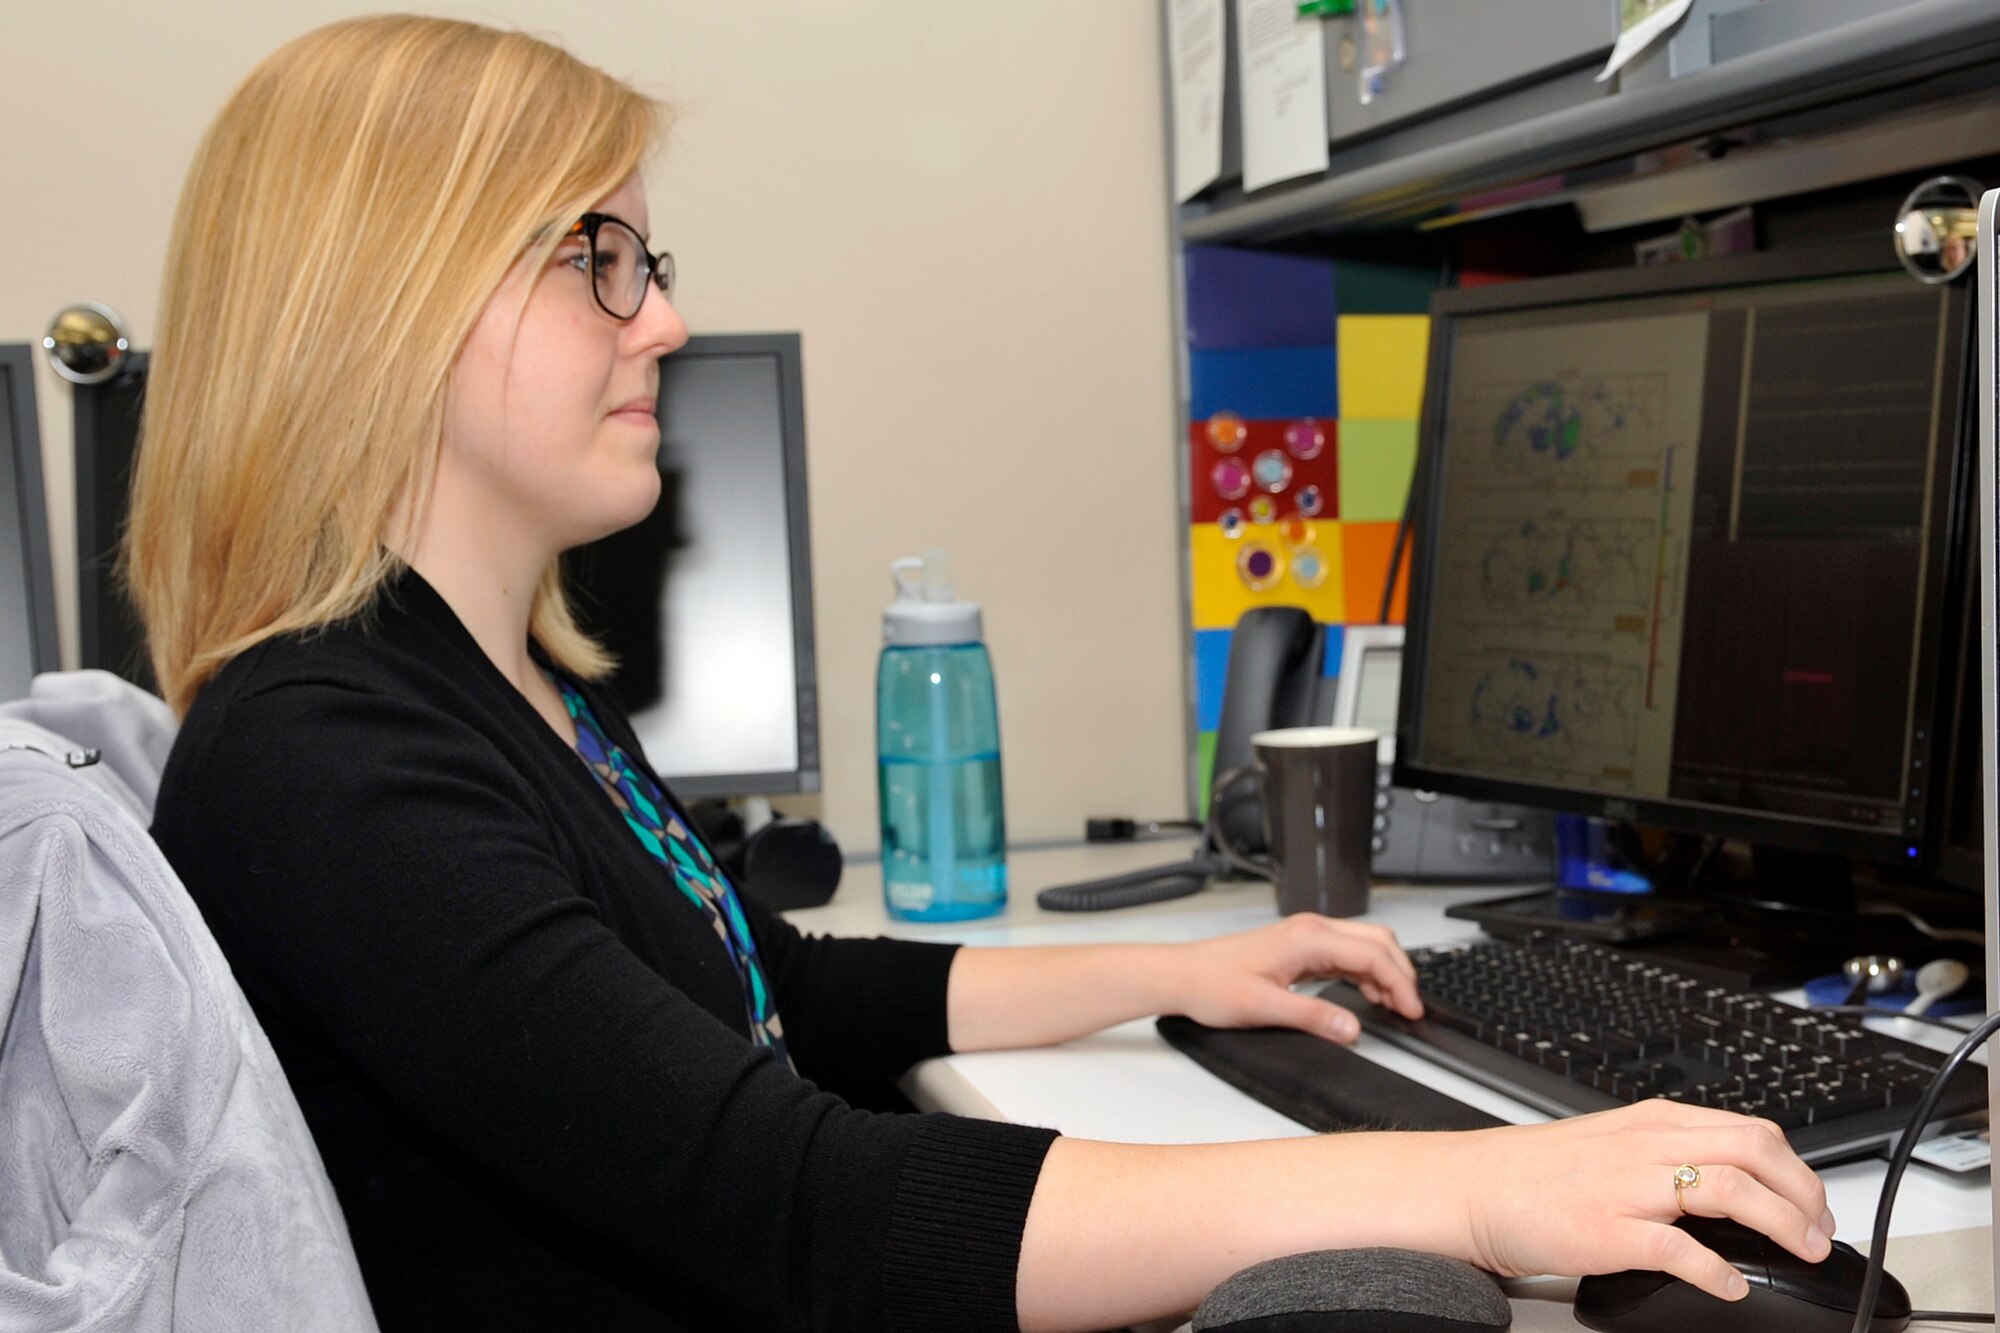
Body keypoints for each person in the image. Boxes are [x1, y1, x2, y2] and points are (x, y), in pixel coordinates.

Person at [129, 16, 1834, 1333]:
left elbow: (759, 987)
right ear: (385, 301)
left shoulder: (502, 689)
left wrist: (1181, 970)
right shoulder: (323, 756)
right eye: (599, 257)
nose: (657, 318)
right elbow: (802, 1205)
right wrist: (1467, 1190)